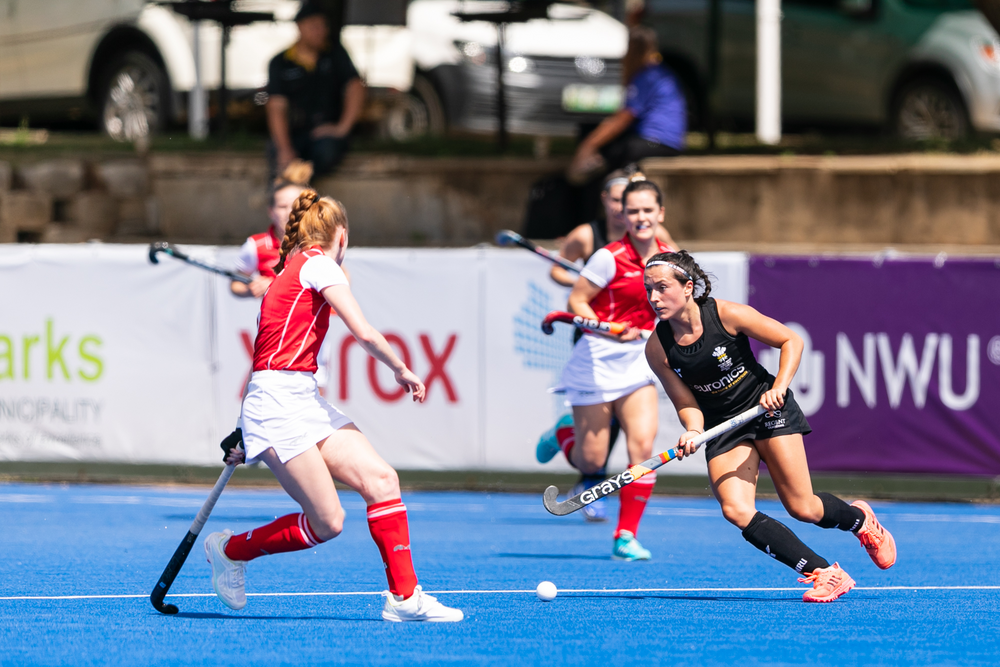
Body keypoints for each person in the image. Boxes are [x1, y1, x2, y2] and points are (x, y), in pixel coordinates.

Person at [204, 189, 464, 622]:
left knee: (382, 480)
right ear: (340, 235)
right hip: (277, 404)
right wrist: (401, 368)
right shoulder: (319, 264)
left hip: (298, 397)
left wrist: (244, 424)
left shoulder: (288, 272)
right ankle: (230, 550)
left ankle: (405, 599)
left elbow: (266, 358)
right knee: (328, 522)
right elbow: (363, 332)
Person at [643, 250, 897, 603]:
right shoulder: (658, 348)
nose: (654, 298)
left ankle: (860, 521)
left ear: (687, 287)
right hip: (723, 426)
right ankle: (826, 573)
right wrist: (693, 431)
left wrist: (779, 386)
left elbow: (791, 340)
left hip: (767, 410)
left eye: (662, 287)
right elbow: (686, 402)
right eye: (648, 289)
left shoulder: (727, 315)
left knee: (803, 507)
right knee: (735, 510)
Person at [536, 175, 674, 560]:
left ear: (660, 213)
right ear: (622, 215)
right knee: (592, 461)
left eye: (648, 210)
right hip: (597, 357)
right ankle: (564, 433)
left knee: (642, 447)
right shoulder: (608, 257)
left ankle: (625, 536)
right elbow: (578, 301)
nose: (641, 217)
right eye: (633, 211)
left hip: (639, 360)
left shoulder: (670, 257)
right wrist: (608, 328)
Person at [568, 26, 686, 185]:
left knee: (616, 152)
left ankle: (597, 190)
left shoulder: (647, 75)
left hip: (657, 142)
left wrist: (588, 145)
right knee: (600, 137)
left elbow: (624, 118)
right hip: (662, 141)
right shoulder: (660, 73)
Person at [265, 2, 365, 179]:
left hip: (325, 133)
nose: (320, 32)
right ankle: (292, 187)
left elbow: (355, 86)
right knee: (278, 154)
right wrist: (285, 148)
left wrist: (342, 127)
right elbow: (276, 106)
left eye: (323, 26)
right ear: (300, 27)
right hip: (294, 133)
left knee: (325, 152)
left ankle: (296, 185)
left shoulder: (335, 54)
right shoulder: (280, 62)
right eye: (314, 27)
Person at [231, 160, 313, 298]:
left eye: (295, 205)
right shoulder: (256, 246)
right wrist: (252, 289)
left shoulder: (317, 242)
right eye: (282, 206)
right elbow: (236, 283)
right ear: (271, 211)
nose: (289, 212)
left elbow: (342, 278)